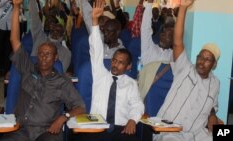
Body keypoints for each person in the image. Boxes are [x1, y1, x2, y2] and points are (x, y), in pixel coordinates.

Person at [0, 0, 85, 141]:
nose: (43, 57)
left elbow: (80, 107)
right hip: (21, 130)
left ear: (55, 58)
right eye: (41, 53)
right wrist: (16, 7)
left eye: (48, 54)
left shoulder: (62, 81)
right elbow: (14, 40)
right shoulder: (27, 68)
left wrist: (63, 117)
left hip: (48, 131)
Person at [71, 0, 144, 141]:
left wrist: (133, 120)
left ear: (129, 67)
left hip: (120, 128)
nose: (115, 65)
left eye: (121, 63)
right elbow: (96, 48)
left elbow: (137, 105)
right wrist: (94, 20)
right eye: (114, 60)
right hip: (98, 125)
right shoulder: (100, 73)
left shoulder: (131, 84)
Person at [155, 0, 220, 140]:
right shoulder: (184, 68)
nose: (201, 62)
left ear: (214, 65)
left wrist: (213, 116)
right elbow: (177, 42)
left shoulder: (215, 83)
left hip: (196, 134)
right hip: (169, 130)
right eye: (200, 57)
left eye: (207, 59)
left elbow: (212, 105)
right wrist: (183, 8)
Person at [29, 0, 71, 73]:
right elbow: (34, 16)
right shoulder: (40, 37)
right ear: (51, 28)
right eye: (54, 29)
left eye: (59, 31)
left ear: (63, 35)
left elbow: (60, 73)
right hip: (32, 74)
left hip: (51, 81)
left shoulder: (66, 53)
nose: (55, 32)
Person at [141, 0, 175, 66]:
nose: (164, 37)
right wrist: (149, 4)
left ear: (173, 41)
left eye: (169, 36)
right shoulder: (149, 47)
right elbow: (145, 28)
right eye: (163, 34)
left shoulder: (172, 55)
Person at [0, 0, 13, 77]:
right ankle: (1, 69)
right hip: (0, 25)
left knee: (8, 50)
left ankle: (7, 70)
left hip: (10, 26)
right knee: (0, 49)